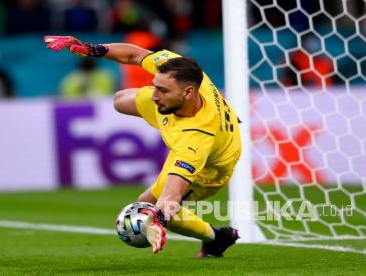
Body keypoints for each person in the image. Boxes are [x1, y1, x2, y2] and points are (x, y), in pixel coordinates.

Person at [44, 35, 241, 257]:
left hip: (209, 169)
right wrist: (92, 49)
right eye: (155, 86)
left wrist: (157, 219)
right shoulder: (182, 69)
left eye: (163, 91)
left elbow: (172, 195)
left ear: (187, 92)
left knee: (147, 204)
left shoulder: (194, 141)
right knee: (120, 100)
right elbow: (134, 54)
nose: (154, 95)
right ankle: (212, 236)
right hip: (188, 119)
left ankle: (216, 238)